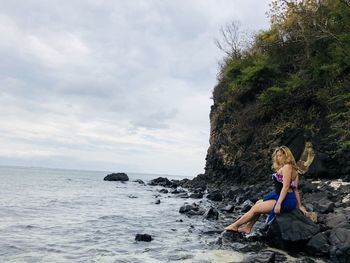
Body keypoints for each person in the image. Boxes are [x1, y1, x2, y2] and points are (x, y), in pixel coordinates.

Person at [225, 145, 309, 234]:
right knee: (258, 203)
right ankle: (248, 227)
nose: (278, 158)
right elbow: (295, 189)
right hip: (283, 196)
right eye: (277, 156)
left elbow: (286, 186)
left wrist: (278, 204)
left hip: (285, 199)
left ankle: (235, 226)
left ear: (287, 155)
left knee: (255, 208)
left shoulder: (287, 167)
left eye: (280, 155)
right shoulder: (294, 169)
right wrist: (299, 206)